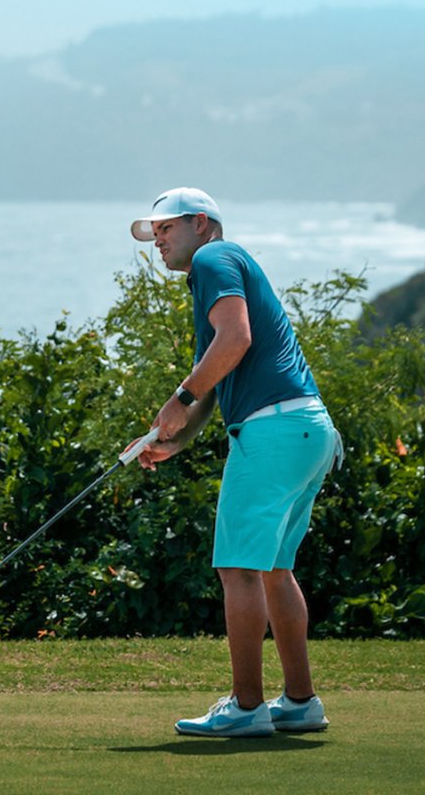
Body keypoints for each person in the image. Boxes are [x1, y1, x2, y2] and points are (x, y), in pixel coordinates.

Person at [128, 187, 341, 738]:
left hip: (272, 431)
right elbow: (222, 372)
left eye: (166, 228)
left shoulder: (213, 257)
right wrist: (178, 438)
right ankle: (299, 702)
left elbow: (236, 340)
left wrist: (178, 396)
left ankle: (247, 707)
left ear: (201, 223)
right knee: (272, 568)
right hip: (306, 428)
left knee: (239, 568)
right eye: (154, 233)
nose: (158, 240)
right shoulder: (221, 268)